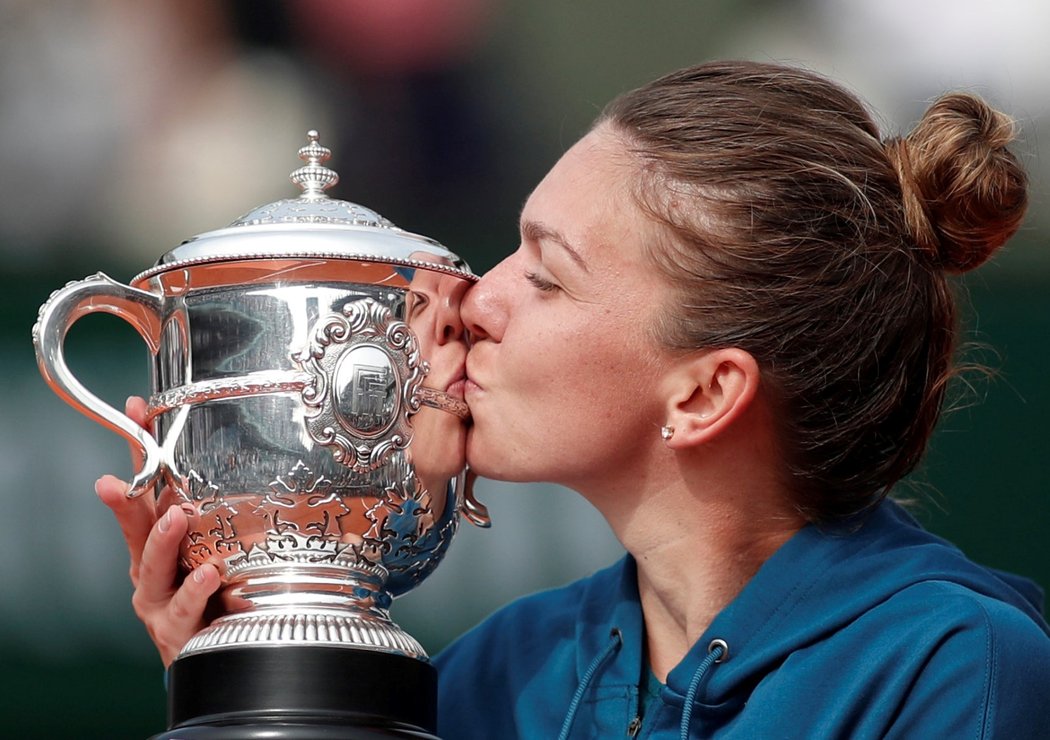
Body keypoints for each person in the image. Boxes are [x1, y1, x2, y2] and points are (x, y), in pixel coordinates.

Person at [97, 60, 1050, 738]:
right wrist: (255, 688)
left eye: (547, 277)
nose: (476, 300)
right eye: (510, 249)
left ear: (708, 391)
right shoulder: (501, 670)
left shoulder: (954, 668)